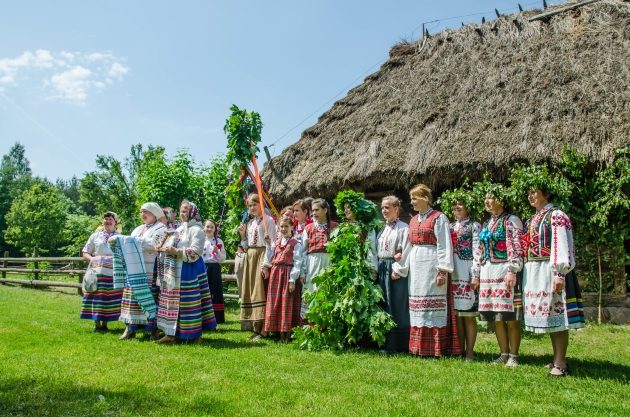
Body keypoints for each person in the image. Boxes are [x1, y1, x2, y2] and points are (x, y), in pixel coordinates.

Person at [522, 188, 585, 376]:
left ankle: (561, 363)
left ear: (546, 194)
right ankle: (556, 357)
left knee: (558, 316)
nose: (531, 196)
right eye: (529, 193)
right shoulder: (532, 218)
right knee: (550, 317)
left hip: (551, 270)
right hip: (536, 270)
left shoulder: (556, 215)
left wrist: (560, 273)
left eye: (535, 192)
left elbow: (561, 243)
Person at [392, 184, 460, 358]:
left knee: (433, 307)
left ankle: (436, 349)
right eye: (411, 198)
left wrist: (442, 270)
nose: (412, 202)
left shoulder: (439, 217)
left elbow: (444, 244)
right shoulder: (413, 220)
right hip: (416, 268)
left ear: (425, 198)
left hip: (432, 264)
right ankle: (419, 349)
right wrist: (400, 268)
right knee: (418, 308)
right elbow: (408, 247)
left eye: (415, 198)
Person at [472, 188, 523, 366]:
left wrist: (512, 269)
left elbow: (516, 246)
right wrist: (476, 274)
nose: (486, 201)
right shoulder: (486, 223)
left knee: (509, 316)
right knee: (497, 317)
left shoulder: (511, 221)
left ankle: (514, 355)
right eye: (485, 197)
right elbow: (479, 250)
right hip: (488, 273)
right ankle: (503, 353)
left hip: (503, 271)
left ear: (501, 200)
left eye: (490, 197)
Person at [155, 200, 217, 344]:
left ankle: (194, 335)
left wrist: (176, 251)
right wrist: (164, 247)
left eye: (185, 211)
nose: (182, 214)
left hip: (190, 269)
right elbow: (172, 243)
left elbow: (195, 251)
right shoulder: (179, 229)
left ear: (192, 212)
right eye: (181, 211)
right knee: (173, 302)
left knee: (189, 302)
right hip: (175, 269)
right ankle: (171, 334)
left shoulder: (197, 230)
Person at [115, 202, 167, 340]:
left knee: (149, 297)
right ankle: (130, 329)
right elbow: (131, 243)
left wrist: (132, 241)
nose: (143, 215)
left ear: (154, 213)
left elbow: (154, 245)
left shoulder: (161, 228)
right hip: (133, 269)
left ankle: (153, 330)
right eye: (141, 212)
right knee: (132, 298)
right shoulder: (138, 229)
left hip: (149, 269)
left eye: (146, 212)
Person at [238, 194, 277, 340]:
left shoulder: (269, 221)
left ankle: (264, 329)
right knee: (251, 291)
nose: (252, 208)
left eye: (254, 204)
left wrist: (266, 264)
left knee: (261, 291)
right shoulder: (251, 223)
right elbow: (246, 245)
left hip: (262, 256)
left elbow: (271, 244)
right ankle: (256, 328)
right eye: (249, 205)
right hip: (251, 256)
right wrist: (242, 236)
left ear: (261, 205)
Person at [262, 217, 304, 342]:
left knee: (287, 303)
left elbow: (298, 262)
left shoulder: (296, 243)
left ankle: (287, 334)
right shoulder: (277, 242)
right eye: (281, 227)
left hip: (287, 274)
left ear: (292, 227)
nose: (284, 229)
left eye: (286, 226)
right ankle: (279, 334)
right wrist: (268, 244)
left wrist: (292, 279)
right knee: (277, 303)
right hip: (276, 275)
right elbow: (270, 256)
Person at [377, 196, 410, 353]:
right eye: (383, 207)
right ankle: (385, 342)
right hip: (382, 267)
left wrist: (398, 269)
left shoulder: (403, 228)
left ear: (396, 208)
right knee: (384, 303)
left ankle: (398, 344)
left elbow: (406, 250)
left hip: (395, 269)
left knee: (396, 304)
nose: (384, 210)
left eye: (387, 207)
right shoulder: (383, 228)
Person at [80, 212, 123, 331]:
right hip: (97, 272)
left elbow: (123, 254)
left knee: (108, 297)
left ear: (115, 222)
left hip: (112, 272)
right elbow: (85, 252)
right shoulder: (95, 236)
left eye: (110, 219)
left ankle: (105, 324)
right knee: (96, 296)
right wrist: (93, 259)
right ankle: (97, 324)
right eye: (106, 219)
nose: (108, 221)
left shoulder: (120, 237)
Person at [450, 200, 482, 361]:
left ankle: (470, 350)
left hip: (466, 269)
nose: (457, 207)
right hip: (453, 271)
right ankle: (459, 349)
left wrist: (475, 274)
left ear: (469, 207)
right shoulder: (450, 226)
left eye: (460, 205)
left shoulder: (474, 226)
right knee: (457, 314)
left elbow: (478, 250)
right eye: (454, 205)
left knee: (468, 314)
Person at [299, 198, 338, 319]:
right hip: (312, 264)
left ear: (325, 210)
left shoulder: (336, 227)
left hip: (329, 263)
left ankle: (327, 327)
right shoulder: (308, 228)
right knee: (312, 291)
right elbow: (303, 252)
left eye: (317, 210)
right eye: (312, 210)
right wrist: (302, 272)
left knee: (328, 291)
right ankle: (312, 325)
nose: (314, 213)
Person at [202, 219, 227, 324]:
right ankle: (203, 317)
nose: (209, 229)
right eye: (207, 226)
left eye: (212, 227)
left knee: (216, 291)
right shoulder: (200, 240)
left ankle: (217, 318)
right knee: (203, 291)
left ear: (215, 229)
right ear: (203, 227)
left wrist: (217, 252)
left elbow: (223, 258)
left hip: (215, 267)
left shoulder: (219, 241)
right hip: (203, 267)